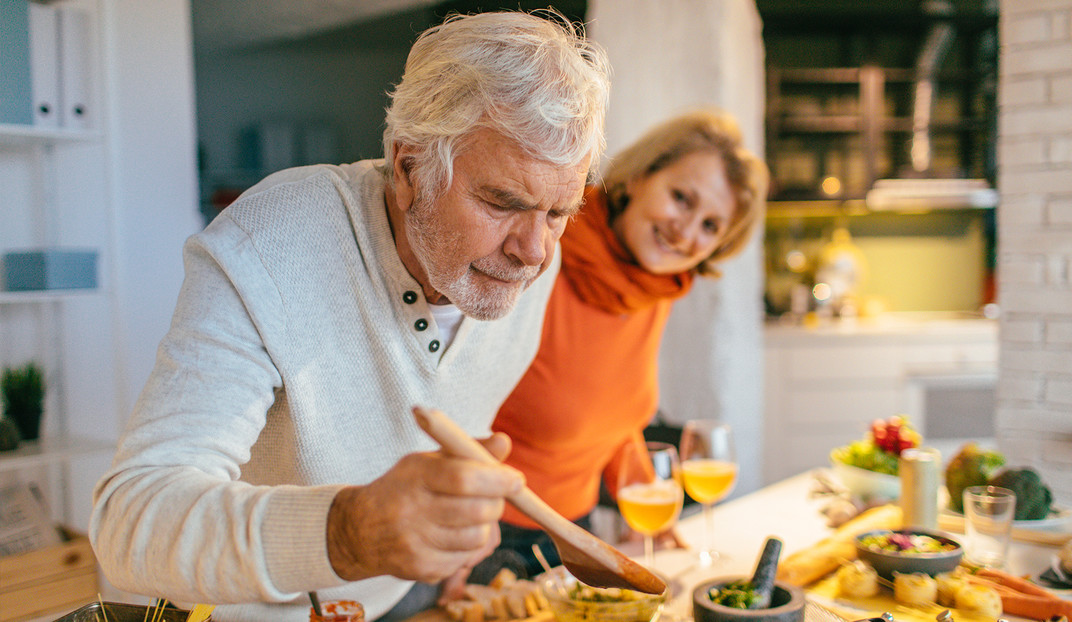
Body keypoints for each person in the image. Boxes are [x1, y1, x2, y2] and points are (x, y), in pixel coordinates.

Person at [88, 10, 610, 622]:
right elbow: (131, 522)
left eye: (559, 212)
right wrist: (348, 532)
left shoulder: (524, 261)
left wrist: (448, 531)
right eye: (501, 202)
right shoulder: (272, 244)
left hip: (393, 598)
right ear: (409, 167)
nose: (534, 251)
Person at [473, 109, 768, 581]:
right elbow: (453, 404)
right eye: (681, 198)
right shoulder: (538, 252)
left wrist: (650, 507)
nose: (685, 233)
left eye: (711, 226)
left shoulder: (653, 287)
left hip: (577, 531)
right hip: (487, 537)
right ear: (638, 177)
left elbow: (613, 415)